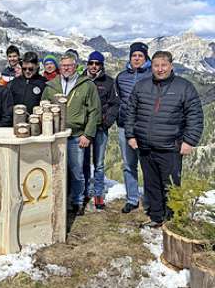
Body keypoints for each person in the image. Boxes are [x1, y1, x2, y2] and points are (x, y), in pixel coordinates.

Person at [125, 51, 204, 227]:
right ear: (151, 66)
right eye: (156, 66)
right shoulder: (142, 86)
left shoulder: (184, 87)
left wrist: (189, 141)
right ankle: (156, 217)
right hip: (145, 146)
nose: (160, 69)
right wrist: (130, 135)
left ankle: (172, 220)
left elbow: (195, 116)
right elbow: (130, 112)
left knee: (170, 186)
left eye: (163, 65)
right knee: (151, 184)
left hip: (171, 147)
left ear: (171, 66)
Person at [42, 53, 101, 215]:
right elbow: (43, 107)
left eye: (69, 65)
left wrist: (88, 135)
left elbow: (94, 111)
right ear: (59, 68)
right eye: (63, 66)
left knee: (77, 171)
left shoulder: (86, 85)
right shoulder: (51, 86)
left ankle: (77, 201)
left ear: (75, 67)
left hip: (77, 135)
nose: (66, 68)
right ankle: (57, 199)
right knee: (56, 169)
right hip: (55, 135)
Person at [116, 42, 152, 214]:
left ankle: (150, 199)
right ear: (130, 57)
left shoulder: (153, 74)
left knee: (148, 165)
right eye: (134, 55)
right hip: (124, 127)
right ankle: (132, 199)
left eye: (140, 56)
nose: (136, 58)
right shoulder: (121, 77)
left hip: (145, 127)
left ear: (145, 57)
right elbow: (118, 100)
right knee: (129, 164)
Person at [84, 51, 120, 209]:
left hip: (100, 128)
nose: (93, 66)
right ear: (87, 64)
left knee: (98, 163)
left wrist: (106, 122)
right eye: (91, 63)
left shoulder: (109, 82)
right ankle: (84, 192)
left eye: (97, 63)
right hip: (84, 129)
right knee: (83, 162)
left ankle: (98, 194)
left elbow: (114, 104)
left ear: (101, 65)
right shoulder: (81, 80)